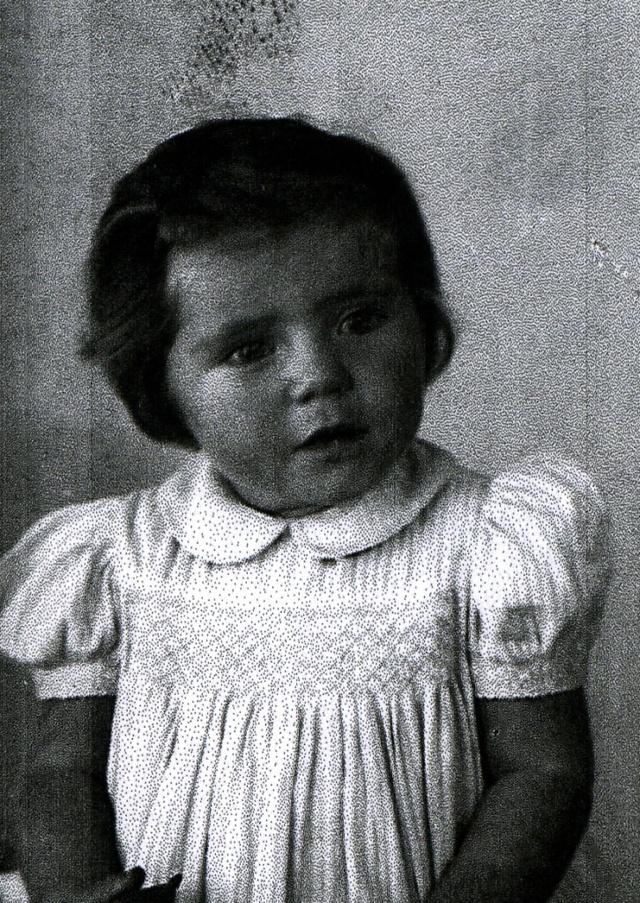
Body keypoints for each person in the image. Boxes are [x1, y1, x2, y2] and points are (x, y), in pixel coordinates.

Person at [0, 118, 608, 903]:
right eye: (250, 349)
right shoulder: (119, 558)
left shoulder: (488, 547)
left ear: (424, 325)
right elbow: (59, 769)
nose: (320, 374)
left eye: (360, 319)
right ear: (163, 384)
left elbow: (543, 772)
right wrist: (76, 888)